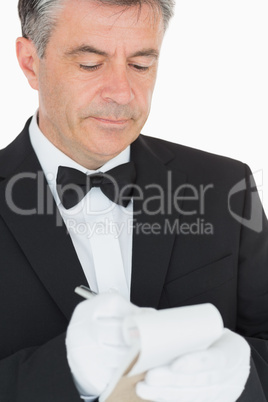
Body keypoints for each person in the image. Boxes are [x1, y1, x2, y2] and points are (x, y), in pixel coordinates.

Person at [0, 0, 267, 401]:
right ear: (30, 62)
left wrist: (241, 375)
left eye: (141, 65)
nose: (122, 93)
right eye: (90, 63)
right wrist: (70, 371)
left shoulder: (226, 184)